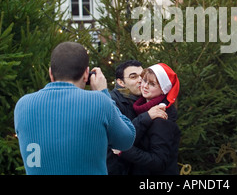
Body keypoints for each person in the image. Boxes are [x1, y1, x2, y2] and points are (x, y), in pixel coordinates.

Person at [14, 42, 136, 175]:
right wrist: (103, 93)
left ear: (51, 73)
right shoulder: (100, 102)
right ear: (86, 74)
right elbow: (126, 140)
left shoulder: (23, 105)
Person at [114, 63, 181, 175]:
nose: (144, 86)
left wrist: (124, 150)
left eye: (152, 84)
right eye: (144, 80)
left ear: (163, 89)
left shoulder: (161, 118)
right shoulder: (141, 109)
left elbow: (159, 162)